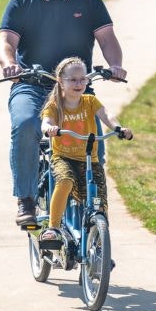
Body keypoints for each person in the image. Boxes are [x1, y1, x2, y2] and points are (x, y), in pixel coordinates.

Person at [0, 0, 127, 225]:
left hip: (75, 90)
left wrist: (115, 65)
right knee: (26, 124)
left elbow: (107, 39)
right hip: (31, 85)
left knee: (93, 147)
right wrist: (11, 65)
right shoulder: (21, 4)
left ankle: (94, 224)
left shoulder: (88, 0)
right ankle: (27, 198)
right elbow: (6, 43)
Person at [40, 57, 133, 240]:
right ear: (61, 81)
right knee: (65, 181)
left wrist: (118, 128)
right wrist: (49, 129)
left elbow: (106, 114)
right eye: (72, 80)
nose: (79, 83)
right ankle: (53, 227)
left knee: (99, 198)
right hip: (63, 157)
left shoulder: (90, 101)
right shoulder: (55, 105)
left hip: (89, 158)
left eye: (83, 79)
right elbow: (46, 121)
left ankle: (99, 246)